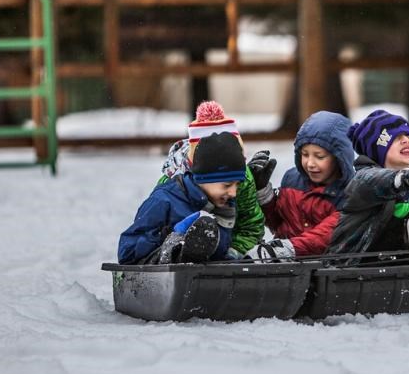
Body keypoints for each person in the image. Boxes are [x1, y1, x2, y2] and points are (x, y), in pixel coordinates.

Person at [326, 109, 409, 275]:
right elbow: (374, 180)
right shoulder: (362, 180)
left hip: (404, 271)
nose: (406, 140)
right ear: (377, 150)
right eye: (396, 138)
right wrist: (400, 179)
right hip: (349, 271)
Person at [118, 131, 248, 265]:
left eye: (237, 185)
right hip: (160, 275)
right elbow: (127, 253)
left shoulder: (225, 206)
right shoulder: (164, 200)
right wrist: (168, 235)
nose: (233, 193)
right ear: (204, 178)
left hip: (201, 280)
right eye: (227, 185)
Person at [159, 101, 264, 258]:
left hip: (227, 250)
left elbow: (251, 225)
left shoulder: (243, 180)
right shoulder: (171, 183)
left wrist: (234, 252)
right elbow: (151, 229)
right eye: (227, 184)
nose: (233, 191)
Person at [247, 110, 356, 259]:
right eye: (305, 154)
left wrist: (285, 250)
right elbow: (277, 222)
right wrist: (262, 193)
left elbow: (325, 237)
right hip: (284, 266)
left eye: (319, 156)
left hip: (325, 268)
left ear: (339, 157)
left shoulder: (350, 193)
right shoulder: (292, 180)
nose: (310, 163)